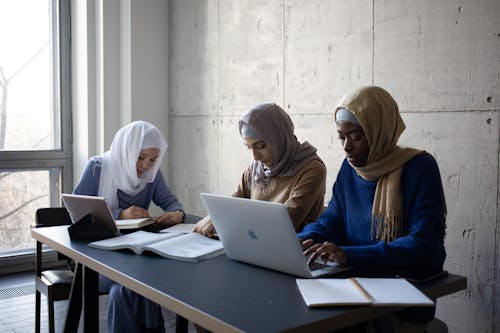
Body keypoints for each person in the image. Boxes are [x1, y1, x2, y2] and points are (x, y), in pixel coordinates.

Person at [298, 86, 447, 333]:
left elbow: (425, 246)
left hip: (400, 300)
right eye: (341, 137)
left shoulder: (420, 168)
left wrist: (350, 255)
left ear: (379, 132)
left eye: (356, 136)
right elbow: (332, 220)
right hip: (352, 289)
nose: (346, 147)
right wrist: (300, 240)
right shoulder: (351, 169)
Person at [73, 120, 184, 333]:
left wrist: (177, 213)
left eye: (153, 159)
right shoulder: (97, 168)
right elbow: (77, 213)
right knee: (134, 286)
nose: (145, 166)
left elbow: (171, 201)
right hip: (96, 255)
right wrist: (119, 215)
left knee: (133, 285)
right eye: (140, 157)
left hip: (135, 253)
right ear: (127, 149)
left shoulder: (151, 175)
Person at [194, 102, 327, 237]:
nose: (255, 156)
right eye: (249, 147)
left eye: (260, 146)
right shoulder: (256, 169)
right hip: (254, 243)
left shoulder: (311, 169)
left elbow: (283, 222)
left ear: (279, 138)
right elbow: (235, 202)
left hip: (295, 250)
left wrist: (222, 220)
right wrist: (216, 216)